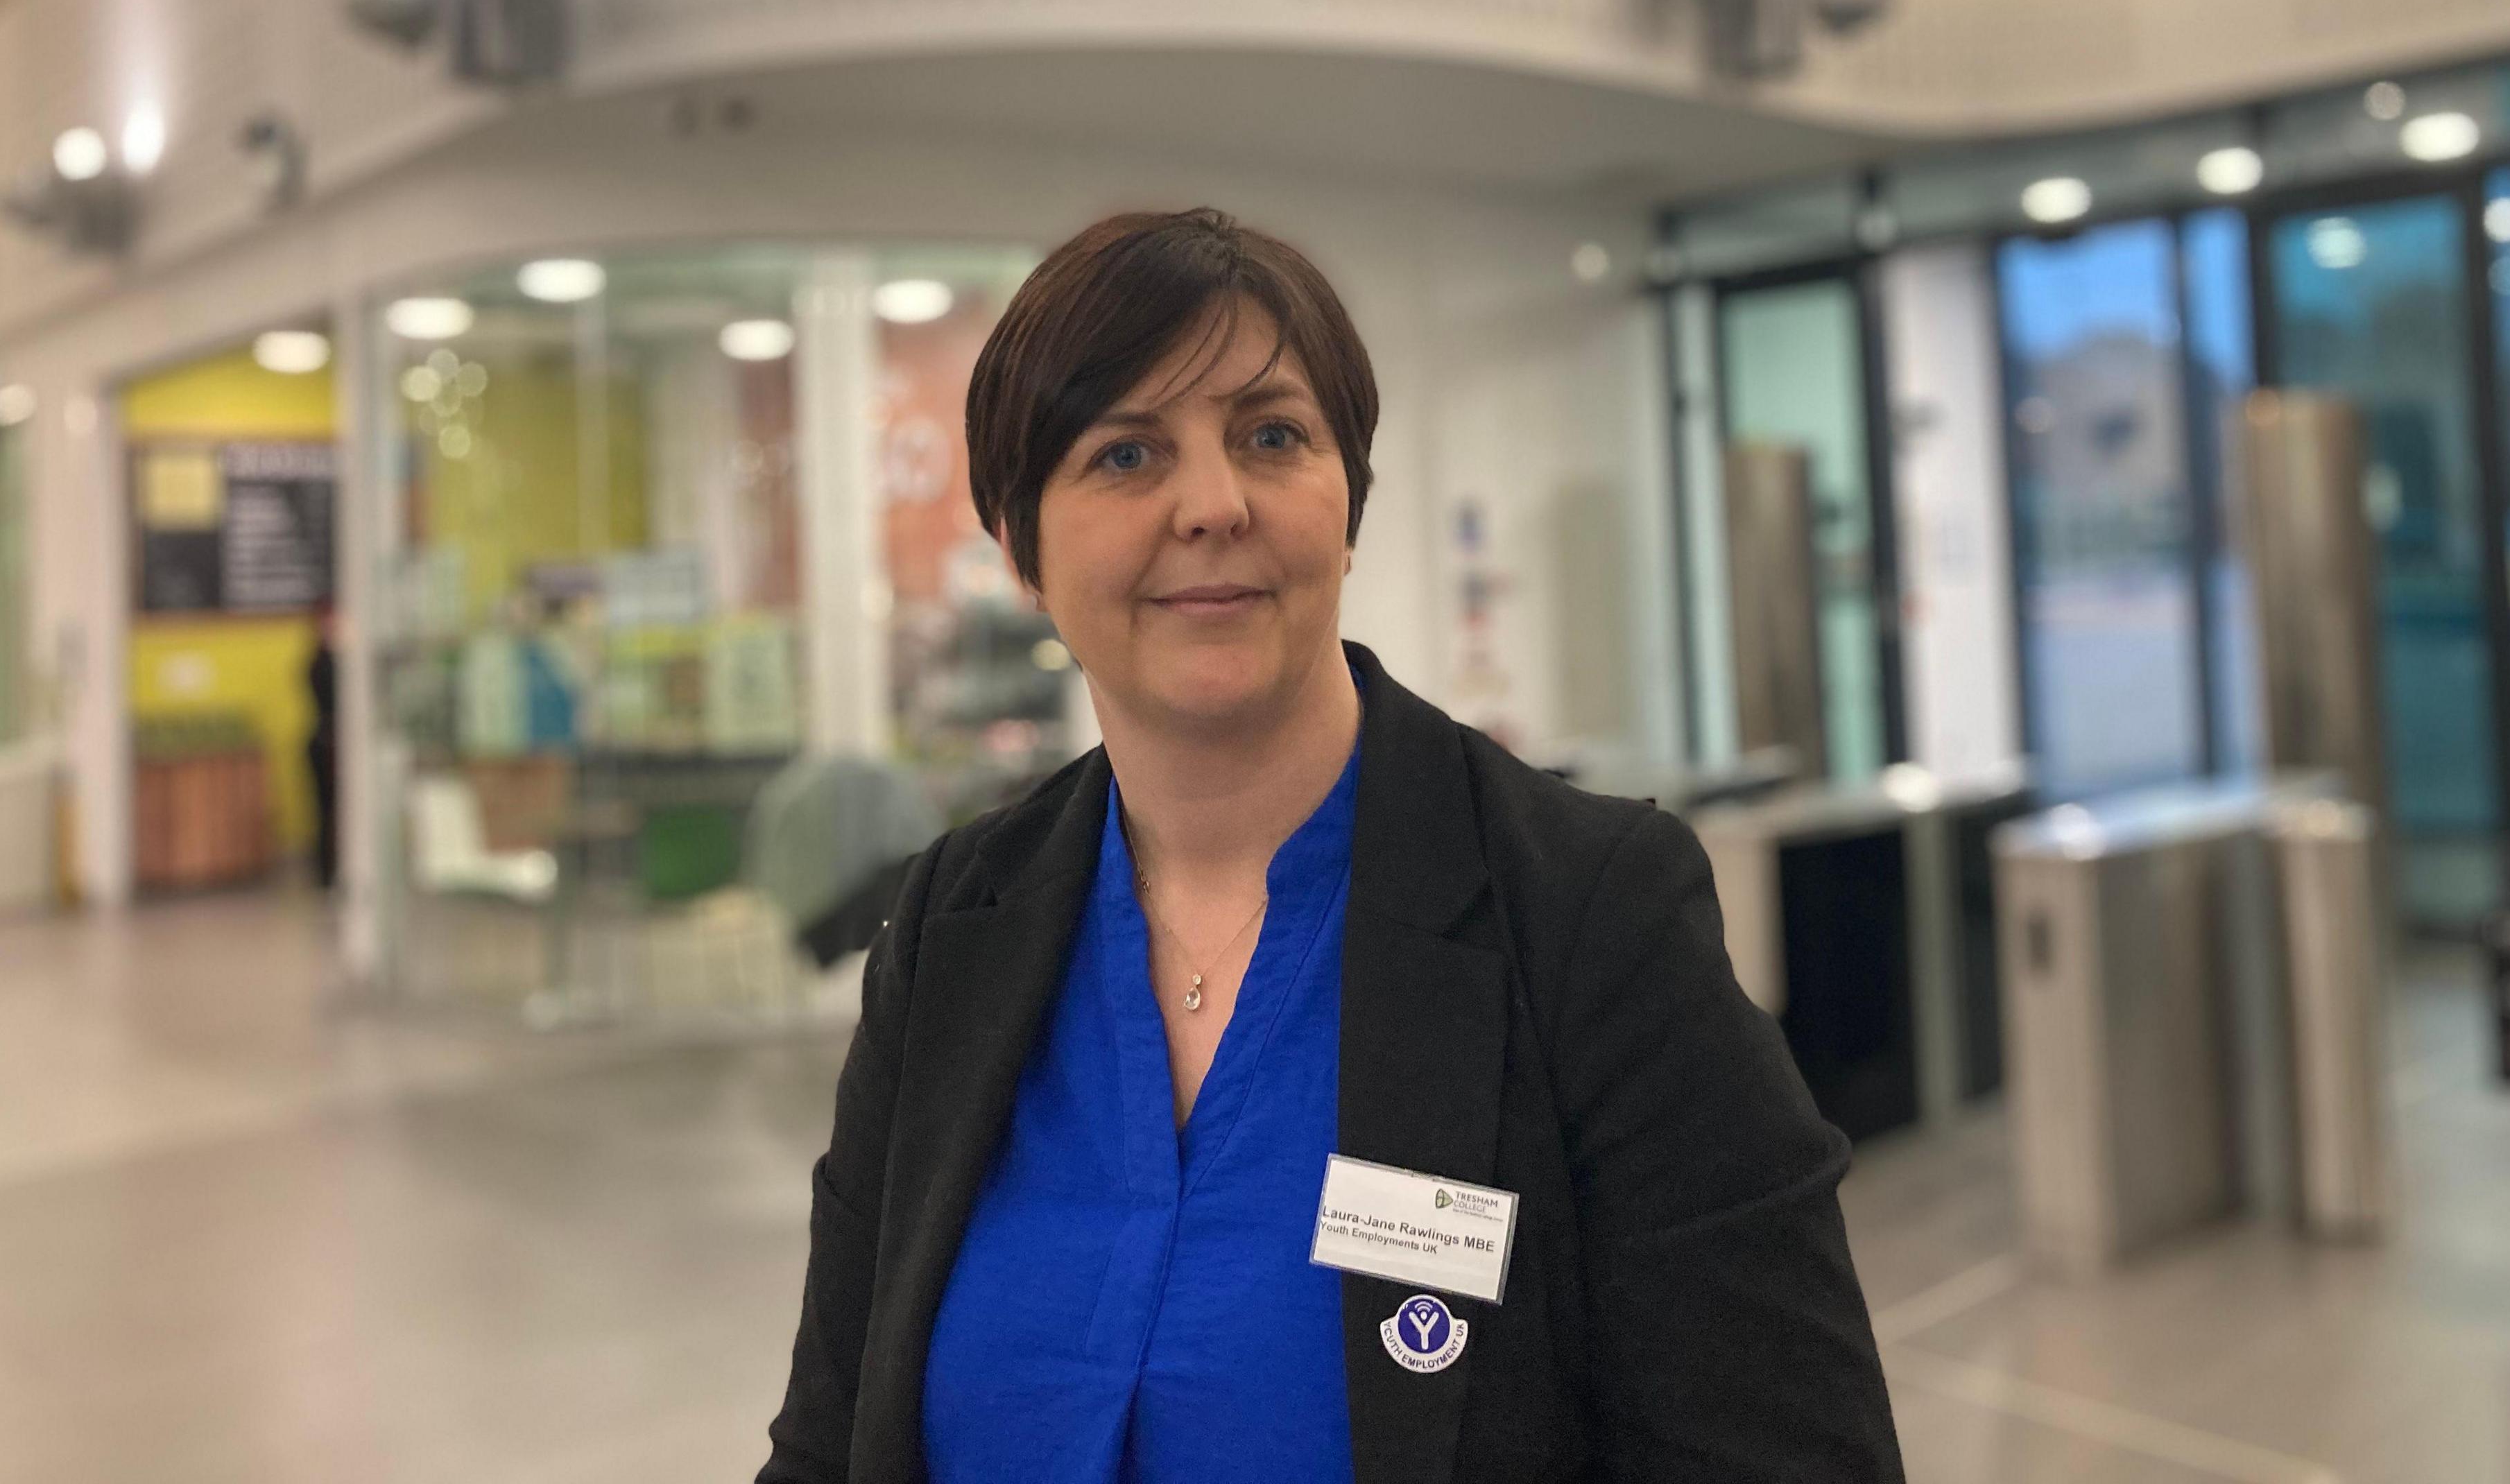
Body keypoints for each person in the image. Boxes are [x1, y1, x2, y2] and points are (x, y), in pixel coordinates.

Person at [758, 209, 1902, 1482]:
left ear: (1346, 505)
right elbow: (828, 1443)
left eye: (1271, 436)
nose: (1213, 504)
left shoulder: (1587, 915)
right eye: (1127, 454)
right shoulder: (950, 930)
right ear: (1021, 547)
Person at [304, 600, 339, 888]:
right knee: (327, 811)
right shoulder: (320, 663)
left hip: (331, 743)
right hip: (326, 745)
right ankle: (327, 875)